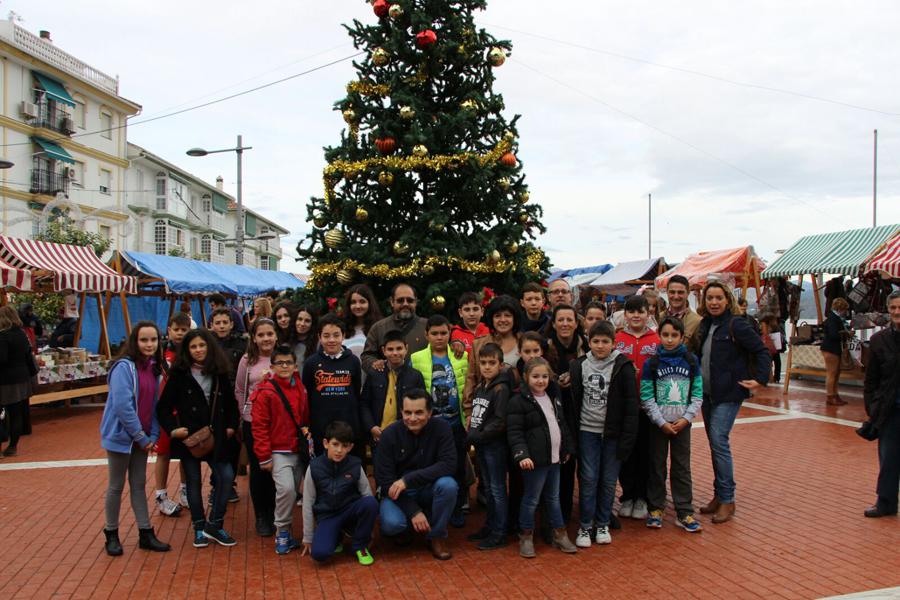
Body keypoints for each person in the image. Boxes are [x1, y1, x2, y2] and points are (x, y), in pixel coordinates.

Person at [695, 280, 770, 524]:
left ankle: (728, 499)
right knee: (714, 443)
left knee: (719, 441)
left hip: (728, 394)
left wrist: (759, 379)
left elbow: (761, 350)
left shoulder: (736, 324)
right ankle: (719, 495)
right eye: (710, 298)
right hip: (708, 394)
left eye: (718, 298)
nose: (714, 302)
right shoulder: (706, 325)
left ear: (727, 299)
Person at [156, 329, 239, 547]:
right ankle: (199, 527)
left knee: (226, 475)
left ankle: (216, 524)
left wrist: (231, 426)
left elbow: (230, 403)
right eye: (193, 346)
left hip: (217, 434)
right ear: (187, 350)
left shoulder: (219, 371)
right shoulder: (180, 374)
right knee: (192, 481)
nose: (199, 350)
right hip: (190, 437)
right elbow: (163, 407)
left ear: (209, 346)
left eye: (202, 345)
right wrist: (174, 429)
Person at [100, 321, 170, 556]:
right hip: (121, 436)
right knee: (116, 486)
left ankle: (145, 532)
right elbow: (123, 406)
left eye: (153, 340)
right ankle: (111, 533)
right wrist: (142, 436)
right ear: (135, 341)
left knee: (139, 484)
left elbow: (155, 405)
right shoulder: (124, 367)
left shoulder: (154, 368)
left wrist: (152, 434)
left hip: (142, 437)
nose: (149, 344)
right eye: (144, 340)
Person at [569, 321, 639, 548]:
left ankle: (603, 522)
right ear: (589, 342)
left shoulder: (623, 366)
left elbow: (631, 405)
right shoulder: (579, 365)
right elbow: (573, 399)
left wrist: (627, 438)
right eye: (596, 341)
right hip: (587, 431)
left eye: (605, 342)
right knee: (588, 478)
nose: (600, 346)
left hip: (612, 434)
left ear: (613, 343)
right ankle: (585, 524)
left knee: (608, 480)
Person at [375, 389, 458, 560]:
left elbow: (449, 464)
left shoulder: (442, 428)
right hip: (397, 493)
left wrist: (407, 479)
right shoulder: (389, 434)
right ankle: (407, 527)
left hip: (429, 488)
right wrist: (413, 511)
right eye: (408, 412)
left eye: (419, 412)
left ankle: (437, 536)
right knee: (392, 524)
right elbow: (385, 480)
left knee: (448, 485)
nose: (412, 418)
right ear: (401, 412)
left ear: (429, 413)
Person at [507, 357, 577, 558]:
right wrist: (522, 454)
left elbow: (560, 424)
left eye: (545, 376)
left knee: (553, 498)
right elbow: (515, 432)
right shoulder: (518, 401)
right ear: (526, 377)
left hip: (554, 459)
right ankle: (526, 535)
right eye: (536, 376)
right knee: (531, 499)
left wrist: (565, 448)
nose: (540, 380)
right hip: (534, 461)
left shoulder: (552, 397)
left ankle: (560, 533)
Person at [640, 317, 703, 533]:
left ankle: (684, 510)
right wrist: (660, 421)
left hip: (682, 424)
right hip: (659, 425)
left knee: (681, 468)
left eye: (674, 335)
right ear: (659, 335)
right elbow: (646, 396)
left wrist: (686, 418)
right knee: (656, 466)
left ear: (682, 337)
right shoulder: (652, 363)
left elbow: (697, 393)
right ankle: (655, 508)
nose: (669, 339)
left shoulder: (691, 361)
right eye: (665, 335)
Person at [411, 314, 469, 527]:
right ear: (426, 335)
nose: (439, 337)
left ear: (450, 334)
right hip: (431, 426)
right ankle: (433, 506)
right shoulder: (417, 358)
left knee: (458, 466)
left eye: (443, 333)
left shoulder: (460, 356)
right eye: (434, 333)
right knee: (432, 465)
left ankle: (458, 507)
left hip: (457, 424)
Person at [251, 344, 310, 554]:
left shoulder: (300, 388)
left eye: (289, 362)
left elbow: (304, 418)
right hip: (278, 451)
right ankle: (282, 531)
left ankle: (288, 530)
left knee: (293, 493)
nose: (284, 366)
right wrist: (264, 456)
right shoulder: (265, 390)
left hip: (297, 449)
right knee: (286, 489)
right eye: (280, 363)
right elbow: (259, 426)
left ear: (295, 365)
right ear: (272, 366)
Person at [301, 421, 378, 565]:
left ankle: (359, 546)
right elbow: (307, 502)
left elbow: (366, 493)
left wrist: (369, 530)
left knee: (371, 502)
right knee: (319, 554)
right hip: (328, 516)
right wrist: (308, 536)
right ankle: (336, 536)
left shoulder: (355, 464)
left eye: (344, 446)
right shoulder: (314, 467)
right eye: (335, 444)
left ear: (350, 447)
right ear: (326, 443)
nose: (339, 450)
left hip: (349, 511)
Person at [614, 295, 660, 521]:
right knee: (626, 453)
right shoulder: (617, 338)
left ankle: (642, 497)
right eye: (631, 312)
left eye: (640, 312)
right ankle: (628, 495)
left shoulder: (657, 340)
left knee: (646, 453)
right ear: (625, 315)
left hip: (648, 408)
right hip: (624, 408)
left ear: (648, 314)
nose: (635, 316)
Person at [542, 303, 587, 525]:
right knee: (563, 464)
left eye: (570, 319)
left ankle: (590, 510)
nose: (565, 324)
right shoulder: (546, 347)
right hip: (555, 412)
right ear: (554, 323)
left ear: (577, 323)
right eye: (561, 320)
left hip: (582, 411)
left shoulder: (585, 346)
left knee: (585, 464)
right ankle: (561, 513)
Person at [466, 342, 513, 550]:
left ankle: (500, 532)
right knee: (487, 487)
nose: (487, 367)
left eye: (491, 363)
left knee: (497, 488)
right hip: (483, 444)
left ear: (500, 365)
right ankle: (491, 524)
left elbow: (500, 420)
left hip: (494, 445)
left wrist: (480, 435)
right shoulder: (480, 387)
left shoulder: (501, 388)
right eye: (483, 363)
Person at [236, 317, 279, 536]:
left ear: (276, 335)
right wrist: (244, 414)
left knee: (277, 470)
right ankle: (261, 515)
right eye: (261, 335)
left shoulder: (282, 358)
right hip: (254, 423)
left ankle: (275, 513)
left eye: (269, 334)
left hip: (279, 424)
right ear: (254, 337)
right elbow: (240, 390)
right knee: (258, 471)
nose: (265, 338)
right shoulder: (247, 360)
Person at [862, 290, 900, 518]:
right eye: (894, 308)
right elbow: (871, 379)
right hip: (891, 408)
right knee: (888, 457)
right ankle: (885, 502)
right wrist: (871, 408)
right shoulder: (879, 340)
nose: (897, 312)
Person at [302, 314, 363, 454]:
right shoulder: (311, 363)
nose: (331, 340)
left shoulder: (353, 361)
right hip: (320, 427)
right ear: (319, 337)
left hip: (348, 425)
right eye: (326, 335)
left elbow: (356, 390)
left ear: (343, 336)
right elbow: (307, 394)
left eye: (336, 335)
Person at [154, 313, 191, 517]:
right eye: (175, 329)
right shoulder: (160, 356)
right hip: (165, 414)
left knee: (186, 454)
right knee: (164, 454)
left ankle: (185, 492)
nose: (179, 333)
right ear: (169, 330)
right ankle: (161, 496)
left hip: (184, 413)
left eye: (183, 330)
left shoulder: (191, 354)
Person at [361, 330, 425, 446]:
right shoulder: (374, 374)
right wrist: (371, 427)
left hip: (407, 436)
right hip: (379, 436)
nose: (395, 353)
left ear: (406, 348)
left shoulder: (415, 376)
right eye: (390, 349)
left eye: (399, 348)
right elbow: (364, 404)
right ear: (383, 351)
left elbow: (422, 406)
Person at [465, 295, 523, 404]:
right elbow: (471, 379)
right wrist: (468, 410)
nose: (502, 320)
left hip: (520, 406)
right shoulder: (479, 344)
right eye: (497, 316)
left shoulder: (524, 341)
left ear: (515, 318)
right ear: (491, 319)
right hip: (488, 406)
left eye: (507, 315)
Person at [361, 283, 427, 371]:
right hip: (388, 382)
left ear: (415, 302)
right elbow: (367, 356)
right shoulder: (378, 328)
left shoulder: (427, 327)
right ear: (392, 302)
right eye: (400, 300)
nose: (405, 304)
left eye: (410, 300)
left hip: (421, 383)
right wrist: (375, 364)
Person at [0, 306, 37, 457]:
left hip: (5, 381)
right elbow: (28, 355)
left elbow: (1, 359)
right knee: (16, 413)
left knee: (2, 414)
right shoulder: (22, 334)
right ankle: (13, 446)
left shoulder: (3, 336)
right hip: (22, 378)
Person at [822, 297, 851, 406]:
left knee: (836, 373)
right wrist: (845, 334)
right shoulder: (833, 319)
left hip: (833, 348)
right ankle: (830, 396)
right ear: (840, 308)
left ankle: (835, 394)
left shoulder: (833, 317)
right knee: (832, 373)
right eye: (844, 310)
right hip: (831, 348)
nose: (845, 312)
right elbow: (833, 334)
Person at [343, 284, 383, 359]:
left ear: (370, 304)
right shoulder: (342, 327)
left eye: (362, 302)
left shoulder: (379, 328)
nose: (357, 306)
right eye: (353, 302)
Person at [665, 275, 702, 348]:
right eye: (672, 292)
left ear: (688, 293)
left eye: (680, 292)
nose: (676, 296)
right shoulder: (658, 318)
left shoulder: (697, 321)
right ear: (667, 292)